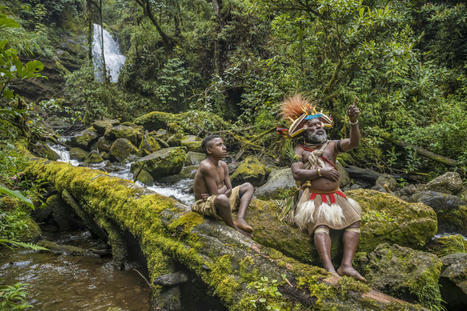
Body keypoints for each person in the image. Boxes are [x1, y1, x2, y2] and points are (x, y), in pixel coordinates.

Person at [282, 94, 365, 281]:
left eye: (319, 124)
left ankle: (346, 266)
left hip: (336, 195)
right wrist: (321, 173)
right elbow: (297, 174)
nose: (317, 126)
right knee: (321, 225)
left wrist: (353, 122)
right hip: (313, 197)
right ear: (304, 132)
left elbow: (354, 143)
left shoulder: (331, 146)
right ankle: (329, 268)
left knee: (355, 221)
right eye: (312, 125)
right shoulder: (299, 151)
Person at [192, 135, 254, 234]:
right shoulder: (206, 166)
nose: (224, 147)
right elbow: (217, 194)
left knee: (248, 186)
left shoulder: (223, 165)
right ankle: (233, 226)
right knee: (222, 198)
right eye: (219, 145)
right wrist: (221, 192)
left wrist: (218, 193)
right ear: (209, 150)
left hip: (217, 199)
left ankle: (240, 219)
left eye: (223, 144)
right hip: (204, 204)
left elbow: (229, 188)